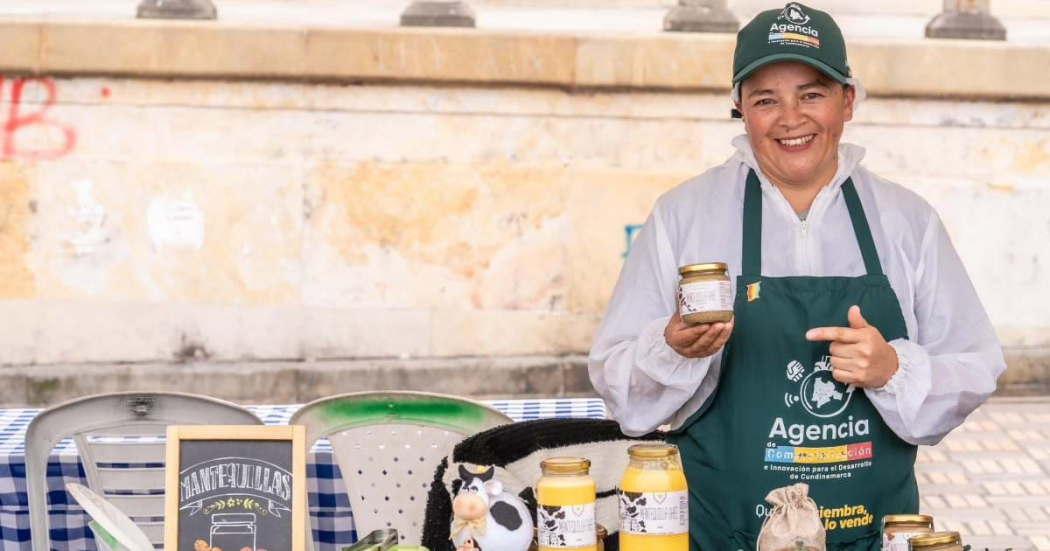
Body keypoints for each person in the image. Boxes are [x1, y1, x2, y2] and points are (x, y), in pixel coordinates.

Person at [588, 3, 1006, 550]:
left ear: (847, 101)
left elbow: (976, 366)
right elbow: (620, 390)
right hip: (721, 534)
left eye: (811, 94)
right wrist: (670, 349)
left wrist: (894, 368)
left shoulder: (907, 221)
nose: (791, 118)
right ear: (739, 108)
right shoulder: (683, 216)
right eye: (766, 99)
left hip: (874, 534)